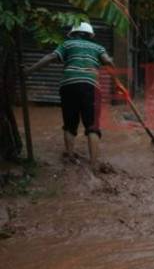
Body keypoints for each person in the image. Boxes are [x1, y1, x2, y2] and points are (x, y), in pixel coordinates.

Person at [25, 22, 115, 171]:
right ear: (90, 35)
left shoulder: (67, 44)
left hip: (69, 86)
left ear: (73, 33)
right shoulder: (98, 47)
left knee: (70, 124)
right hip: (90, 86)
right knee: (92, 126)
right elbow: (108, 61)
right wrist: (110, 63)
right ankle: (93, 166)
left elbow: (50, 57)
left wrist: (29, 70)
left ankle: (70, 157)